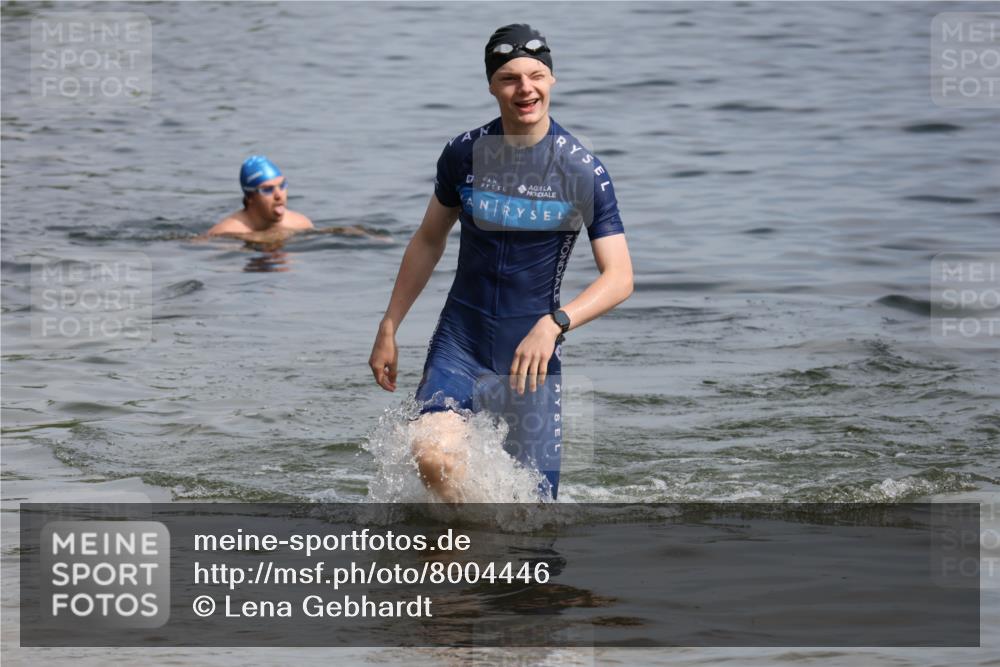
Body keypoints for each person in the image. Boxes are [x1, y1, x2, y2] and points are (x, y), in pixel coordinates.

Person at [369, 24, 633, 502]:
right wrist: (390, 324)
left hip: (529, 358)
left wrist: (555, 324)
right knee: (432, 456)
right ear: (492, 85)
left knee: (531, 521)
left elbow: (619, 278)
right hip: (461, 341)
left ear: (552, 80)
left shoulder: (580, 170)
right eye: (509, 78)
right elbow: (429, 239)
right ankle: (462, 557)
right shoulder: (464, 154)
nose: (524, 88)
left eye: (535, 75)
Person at [207, 155, 314, 242]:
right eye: (267, 190)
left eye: (282, 186)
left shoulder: (301, 224)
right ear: (250, 198)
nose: (278, 195)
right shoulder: (225, 234)